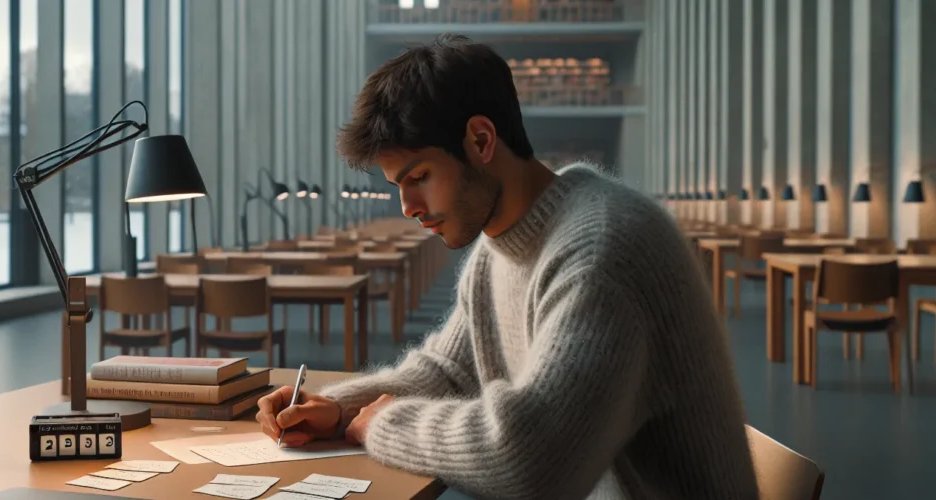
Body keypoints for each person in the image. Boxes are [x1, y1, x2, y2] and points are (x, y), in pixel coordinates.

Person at [255, 34, 759, 499]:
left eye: (420, 176)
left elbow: (534, 460)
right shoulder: (498, 247)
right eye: (398, 186)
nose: (407, 207)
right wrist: (337, 408)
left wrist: (383, 425)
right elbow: (449, 372)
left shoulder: (604, 249)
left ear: (480, 141)